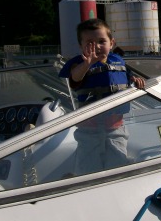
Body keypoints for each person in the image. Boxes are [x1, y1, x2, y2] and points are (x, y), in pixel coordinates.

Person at [59, 18, 145, 175]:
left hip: (115, 128)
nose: (96, 47)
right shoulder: (79, 65)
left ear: (111, 43)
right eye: (89, 43)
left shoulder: (118, 61)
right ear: (81, 46)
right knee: (88, 170)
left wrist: (135, 80)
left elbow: (127, 76)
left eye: (101, 41)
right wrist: (87, 64)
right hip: (89, 131)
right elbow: (75, 79)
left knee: (117, 166)